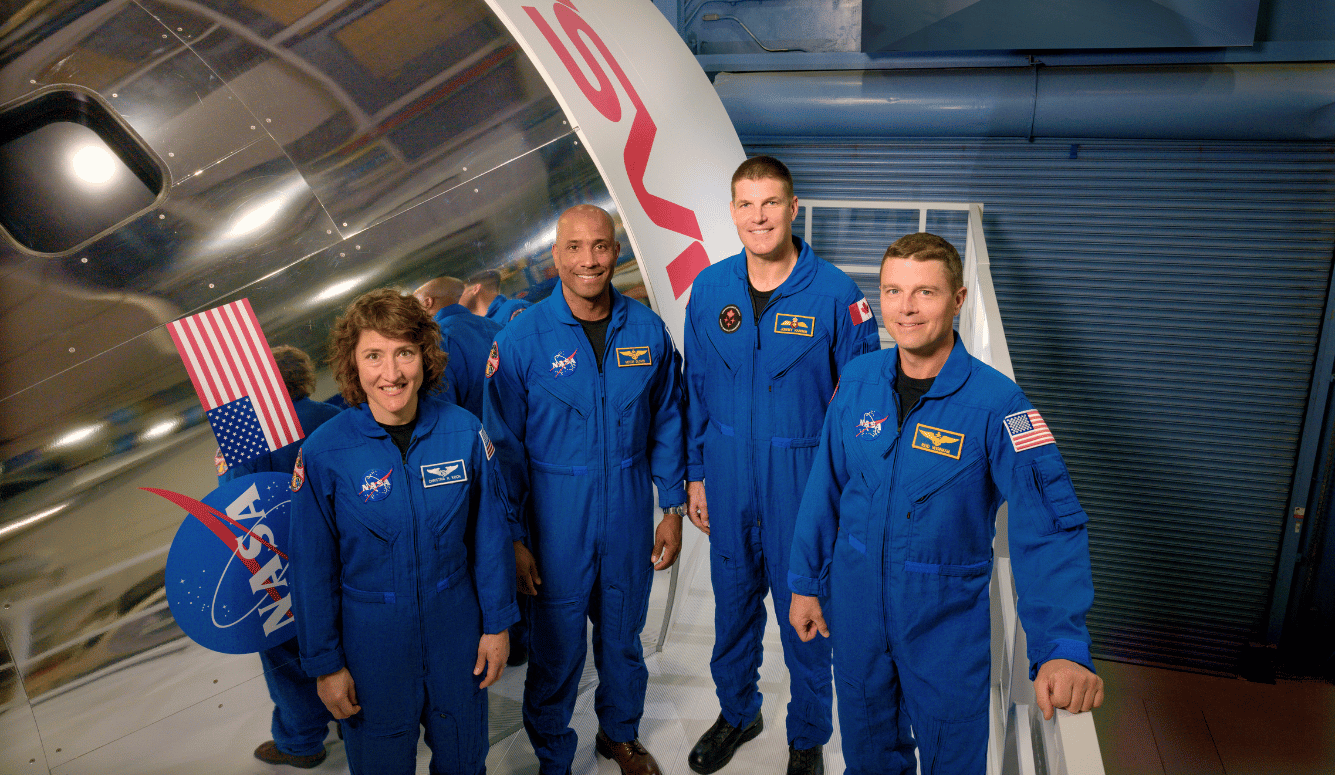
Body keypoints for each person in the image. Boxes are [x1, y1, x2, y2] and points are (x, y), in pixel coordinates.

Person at [788, 233, 1104, 775]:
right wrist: (805, 583)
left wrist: (1061, 646)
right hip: (858, 604)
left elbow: (1049, 524)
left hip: (944, 621)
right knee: (865, 747)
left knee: (951, 758)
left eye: (925, 293)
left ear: (957, 300)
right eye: (892, 291)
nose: (905, 309)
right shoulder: (859, 381)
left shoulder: (999, 405)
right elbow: (826, 486)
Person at [682, 156, 880, 775]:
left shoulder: (836, 295)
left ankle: (806, 737)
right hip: (728, 476)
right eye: (746, 204)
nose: (759, 216)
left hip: (804, 484)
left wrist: (848, 498)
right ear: (733, 212)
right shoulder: (709, 289)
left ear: (793, 209)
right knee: (732, 608)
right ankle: (739, 712)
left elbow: (861, 408)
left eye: (771, 204)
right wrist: (694, 473)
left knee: (807, 617)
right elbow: (694, 389)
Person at [483, 205, 687, 775]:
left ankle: (618, 735)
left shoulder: (646, 329)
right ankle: (553, 752)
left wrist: (669, 506)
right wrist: (516, 538)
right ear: (556, 256)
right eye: (575, 248)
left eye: (600, 246)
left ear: (616, 251)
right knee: (556, 647)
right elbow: (500, 447)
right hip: (553, 520)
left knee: (623, 636)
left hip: (626, 508)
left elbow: (669, 418)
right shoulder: (522, 340)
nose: (589, 260)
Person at [289, 289, 518, 775]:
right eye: (374, 355)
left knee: (464, 757)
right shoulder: (324, 453)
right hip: (371, 639)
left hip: (455, 625)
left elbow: (490, 539)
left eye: (404, 353)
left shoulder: (463, 432)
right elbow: (311, 571)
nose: (391, 374)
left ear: (424, 355)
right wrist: (326, 665)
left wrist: (497, 626)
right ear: (353, 364)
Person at [215, 345, 340, 769]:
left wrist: (222, 470)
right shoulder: (334, 417)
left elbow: (233, 501)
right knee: (347, 637)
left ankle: (301, 742)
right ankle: (355, 714)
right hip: (342, 557)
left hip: (279, 565)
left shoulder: (245, 433)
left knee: (286, 654)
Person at [413, 276, 504, 419]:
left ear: (427, 303)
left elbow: (441, 413)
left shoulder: (436, 340)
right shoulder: (495, 326)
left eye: (414, 307)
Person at [462, 268, 532, 324]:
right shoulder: (479, 324)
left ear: (475, 289)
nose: (456, 296)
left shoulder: (512, 310)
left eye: (461, 290)